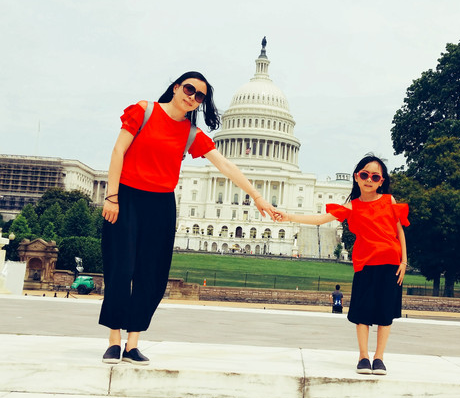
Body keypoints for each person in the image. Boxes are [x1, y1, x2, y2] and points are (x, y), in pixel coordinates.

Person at [100, 71, 276, 365]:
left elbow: (225, 166)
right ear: (176, 87)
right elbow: (118, 150)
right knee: (120, 268)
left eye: (200, 96)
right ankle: (114, 341)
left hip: (161, 204)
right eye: (189, 89)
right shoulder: (144, 111)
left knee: (151, 275)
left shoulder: (191, 134)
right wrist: (112, 196)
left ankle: (132, 344)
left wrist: (257, 197)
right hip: (127, 197)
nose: (192, 97)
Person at [274, 155, 408, 375]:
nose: (369, 180)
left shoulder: (389, 200)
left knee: (385, 313)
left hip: (391, 264)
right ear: (357, 177)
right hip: (365, 264)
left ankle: (379, 358)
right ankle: (363, 356)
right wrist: (288, 216)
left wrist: (404, 261)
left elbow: (399, 230)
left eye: (375, 177)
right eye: (365, 175)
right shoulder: (351, 207)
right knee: (362, 313)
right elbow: (320, 219)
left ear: (381, 181)